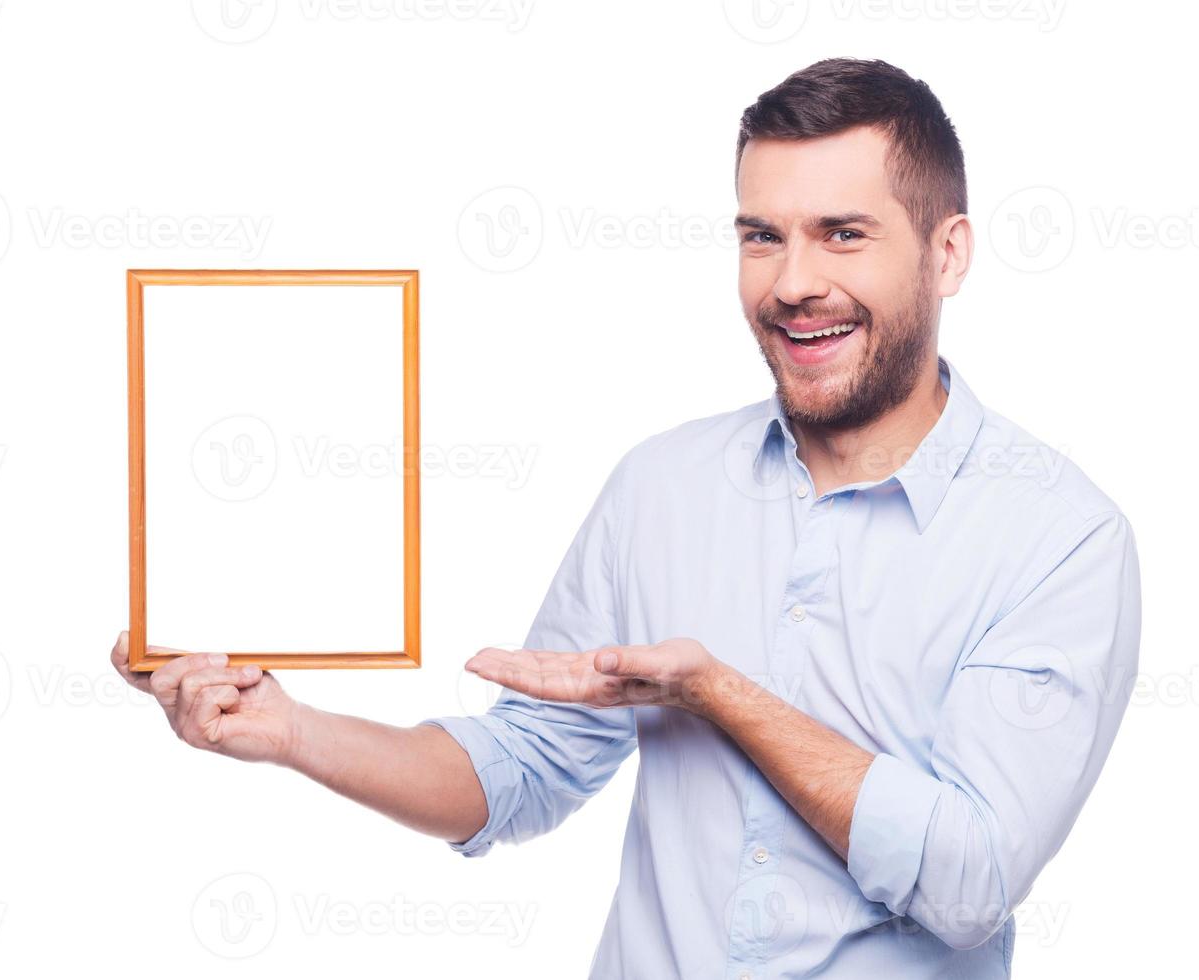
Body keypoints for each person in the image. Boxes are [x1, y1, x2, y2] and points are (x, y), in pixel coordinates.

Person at [111, 57, 1140, 978]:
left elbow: (966, 880)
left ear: (946, 252)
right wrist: (289, 729)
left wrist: (719, 695)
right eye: (759, 236)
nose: (791, 283)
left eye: (842, 234)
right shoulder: (662, 485)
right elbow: (520, 772)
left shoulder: (1056, 538)